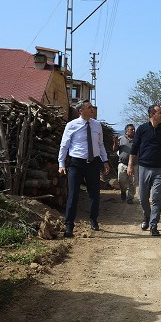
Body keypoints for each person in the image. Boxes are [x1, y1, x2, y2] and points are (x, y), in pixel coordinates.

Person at [58, 100, 111, 237]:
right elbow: (64, 145)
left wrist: (105, 161)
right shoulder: (71, 125)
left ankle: (93, 220)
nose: (92, 109)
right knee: (73, 194)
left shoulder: (97, 125)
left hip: (93, 163)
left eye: (92, 107)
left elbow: (100, 144)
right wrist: (61, 163)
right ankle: (69, 226)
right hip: (77, 163)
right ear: (80, 111)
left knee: (94, 194)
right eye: (89, 107)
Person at [127, 104, 161, 236]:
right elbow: (134, 149)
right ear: (152, 115)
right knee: (143, 197)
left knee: (156, 197)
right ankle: (147, 217)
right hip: (144, 167)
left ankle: (153, 225)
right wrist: (130, 165)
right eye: (159, 113)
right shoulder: (142, 129)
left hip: (160, 169)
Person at [113, 124, 136, 204]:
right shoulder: (121, 139)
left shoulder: (138, 140)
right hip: (123, 164)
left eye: (134, 129)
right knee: (121, 181)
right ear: (126, 131)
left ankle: (130, 197)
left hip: (135, 165)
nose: (133, 131)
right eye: (131, 129)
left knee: (133, 182)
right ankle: (123, 192)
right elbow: (114, 150)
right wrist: (115, 142)